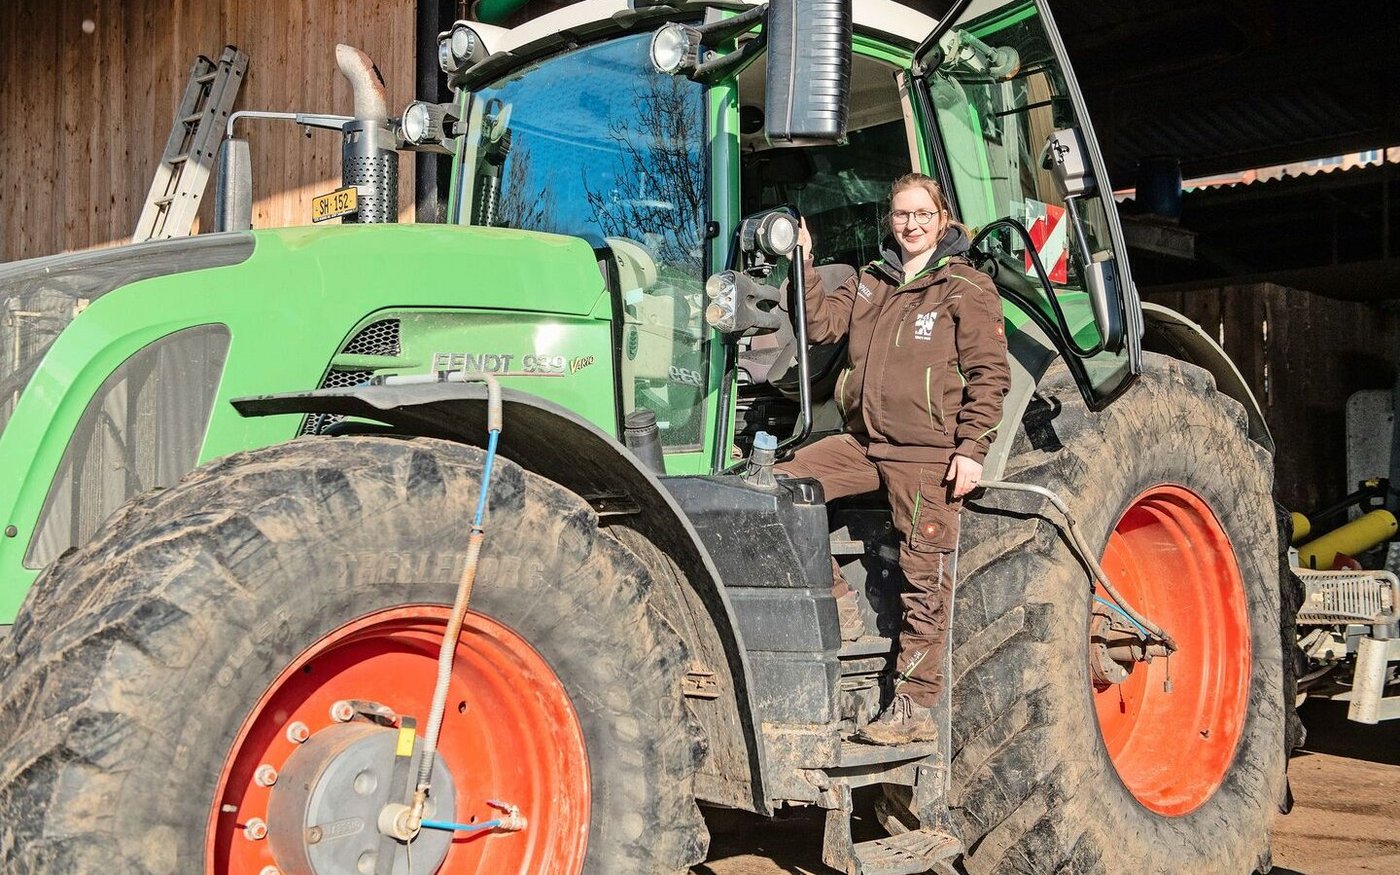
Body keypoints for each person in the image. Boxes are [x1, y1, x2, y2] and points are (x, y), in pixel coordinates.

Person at [777, 173, 1010, 745]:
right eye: (902, 215)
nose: (911, 225)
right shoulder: (870, 283)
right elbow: (818, 325)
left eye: (922, 215)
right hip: (863, 443)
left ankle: (911, 707)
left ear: (943, 219)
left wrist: (971, 449)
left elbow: (989, 374)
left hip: (928, 456)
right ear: (890, 220)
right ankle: (838, 603)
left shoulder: (965, 286)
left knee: (924, 579)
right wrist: (803, 263)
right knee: (778, 488)